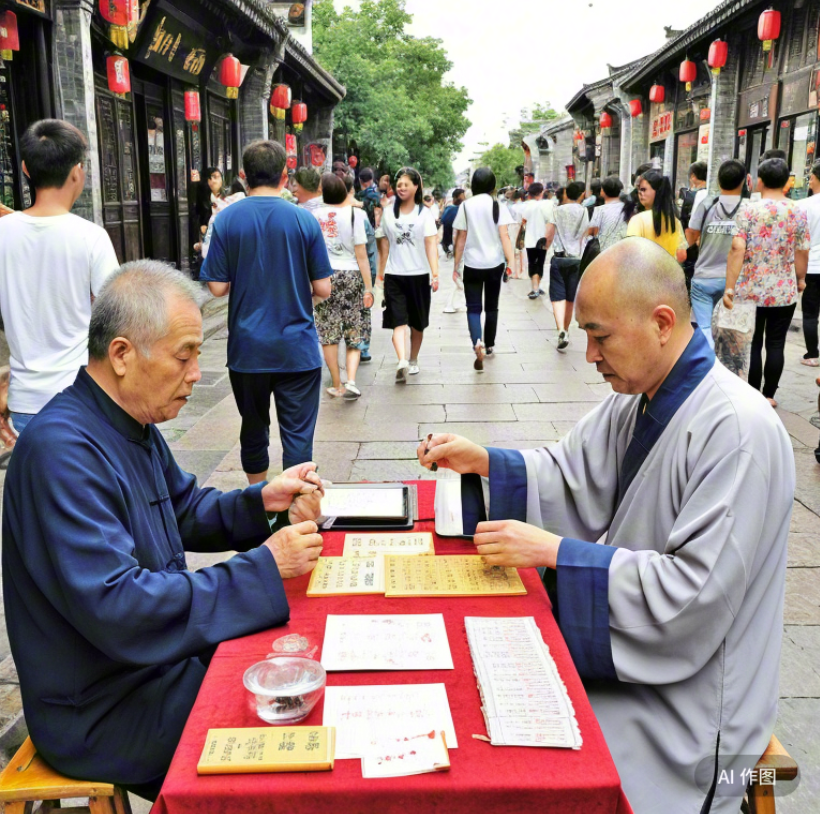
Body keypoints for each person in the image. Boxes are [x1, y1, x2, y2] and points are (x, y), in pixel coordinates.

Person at [417, 239, 794, 814]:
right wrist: (486, 461)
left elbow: (692, 598)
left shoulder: (738, 430)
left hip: (691, 700)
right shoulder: (640, 394)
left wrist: (555, 554)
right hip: (637, 653)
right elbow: (569, 474)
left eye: (601, 336)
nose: (590, 354)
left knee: (517, 760)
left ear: (662, 323)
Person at [2, 262, 326, 800]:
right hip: (103, 706)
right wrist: (264, 567)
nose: (197, 373)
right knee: (283, 730)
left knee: (294, 665)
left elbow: (183, 508)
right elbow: (119, 606)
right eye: (185, 355)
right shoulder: (63, 451)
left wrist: (264, 503)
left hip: (154, 665)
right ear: (123, 354)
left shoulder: (127, 420)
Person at [200, 140, 333, 481]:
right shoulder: (304, 221)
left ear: (243, 176)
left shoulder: (226, 220)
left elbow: (216, 287)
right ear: (285, 175)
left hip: (248, 349)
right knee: (298, 438)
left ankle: (258, 504)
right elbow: (323, 288)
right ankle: (296, 512)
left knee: (253, 428)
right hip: (297, 349)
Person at [0, 119, 119, 437]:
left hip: (25, 402)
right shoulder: (90, 237)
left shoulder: (3, 233)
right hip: (80, 397)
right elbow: (116, 317)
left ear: (25, 169)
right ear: (78, 172)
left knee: (39, 486)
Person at [724, 157, 810, 407]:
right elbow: (802, 250)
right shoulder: (797, 210)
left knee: (752, 342)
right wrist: (800, 279)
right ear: (786, 183)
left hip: (750, 288)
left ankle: (751, 394)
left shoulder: (747, 210)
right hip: (783, 289)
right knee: (776, 343)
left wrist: (730, 285)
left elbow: (737, 248)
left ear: (759, 181)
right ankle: (769, 394)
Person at [311, 174, 374, 399]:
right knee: (353, 327)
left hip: (323, 277)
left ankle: (337, 384)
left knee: (328, 332)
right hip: (351, 275)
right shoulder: (356, 215)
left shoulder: (314, 215)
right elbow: (362, 256)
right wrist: (369, 288)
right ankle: (352, 381)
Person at [376, 167, 439, 381]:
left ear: (415, 187)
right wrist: (380, 272)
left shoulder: (425, 213)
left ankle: (413, 359)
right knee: (398, 321)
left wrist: (435, 273)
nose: (401, 188)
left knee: (417, 324)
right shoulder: (387, 213)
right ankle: (402, 360)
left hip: (420, 275)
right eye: (399, 184)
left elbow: (431, 244)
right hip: (395, 274)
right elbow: (383, 243)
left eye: (406, 184)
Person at [452, 167, 515, 372]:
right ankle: (489, 345)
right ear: (492, 185)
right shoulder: (497, 204)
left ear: (474, 185)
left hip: (472, 264)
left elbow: (460, 237)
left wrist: (456, 265)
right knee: (492, 307)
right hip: (495, 264)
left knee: (473, 308)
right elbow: (504, 235)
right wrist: (511, 262)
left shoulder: (466, 205)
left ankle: (476, 342)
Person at [686, 159, 746, 348]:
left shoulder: (706, 204)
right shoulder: (750, 207)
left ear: (718, 182)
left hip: (704, 277)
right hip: (737, 281)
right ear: (743, 181)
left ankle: (707, 366)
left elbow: (691, 235)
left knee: (703, 328)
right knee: (733, 334)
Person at [545, 181, 589, 350]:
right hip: (577, 258)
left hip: (559, 257)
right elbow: (587, 233)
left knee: (557, 297)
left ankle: (561, 329)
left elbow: (549, 234)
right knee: (570, 297)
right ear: (582, 194)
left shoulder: (557, 211)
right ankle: (566, 329)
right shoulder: (584, 211)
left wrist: (545, 249)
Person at [627, 170, 687, 262]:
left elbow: (631, 252)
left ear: (657, 191)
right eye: (639, 190)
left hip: (645, 273)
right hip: (669, 273)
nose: (640, 193)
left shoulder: (638, 220)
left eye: (643, 189)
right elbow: (681, 255)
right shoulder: (674, 222)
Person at [797, 162, 820, 367]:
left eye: (811, 176)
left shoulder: (804, 205)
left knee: (811, 313)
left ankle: (812, 354)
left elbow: (799, 242)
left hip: (812, 266)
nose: (809, 180)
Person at [520, 182, 553, 299]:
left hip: (530, 240)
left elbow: (523, 221)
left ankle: (535, 288)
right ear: (541, 192)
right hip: (542, 239)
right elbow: (550, 221)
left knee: (532, 263)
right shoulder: (546, 205)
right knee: (540, 263)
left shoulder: (526, 206)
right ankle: (536, 288)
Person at [587, 176, 630, 253]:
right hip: (623, 251)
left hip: (604, 253)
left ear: (603, 191)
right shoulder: (627, 209)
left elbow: (592, 232)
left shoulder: (599, 210)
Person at [442, 189, 467, 314]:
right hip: (459, 248)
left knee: (459, 276)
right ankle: (451, 304)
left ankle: (456, 303)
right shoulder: (459, 210)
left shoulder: (448, 210)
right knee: (458, 276)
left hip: (454, 247)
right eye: (463, 195)